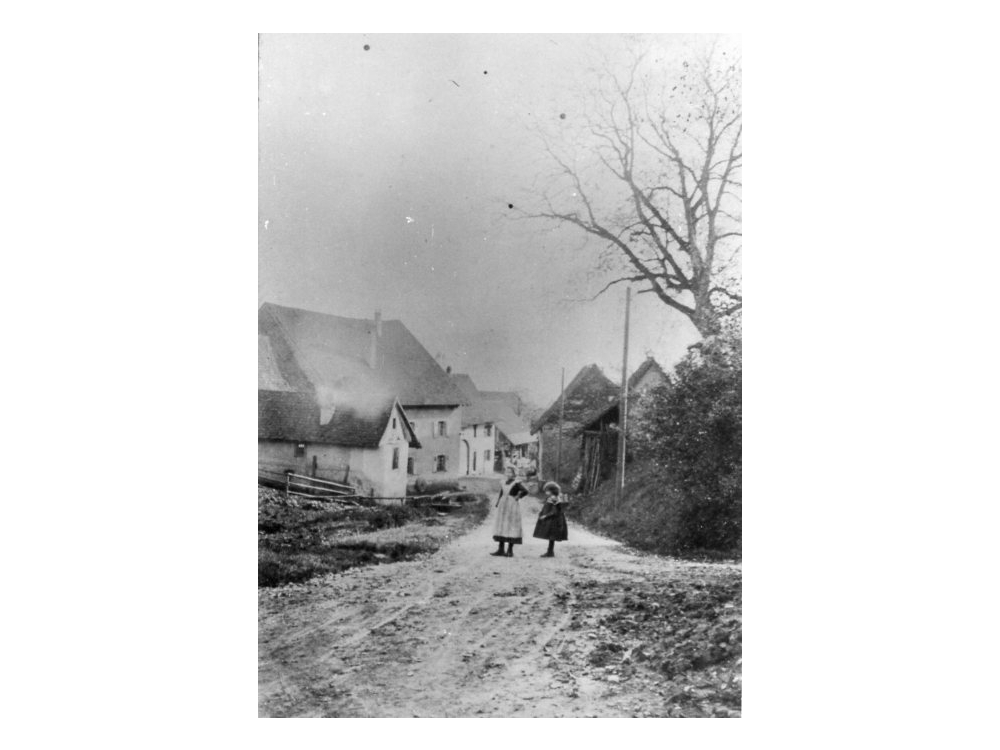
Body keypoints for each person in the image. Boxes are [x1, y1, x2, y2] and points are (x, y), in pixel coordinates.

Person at [491, 466, 528, 557]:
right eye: (507, 472)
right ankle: (500, 549)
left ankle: (510, 550)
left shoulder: (516, 483)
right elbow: (501, 493)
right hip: (503, 506)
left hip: (512, 506)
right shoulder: (503, 482)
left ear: (514, 474)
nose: (508, 474)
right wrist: (498, 503)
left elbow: (525, 491)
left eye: (510, 472)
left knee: (511, 526)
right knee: (502, 525)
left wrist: (518, 497)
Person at [533, 481, 568, 557]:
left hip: (554, 520)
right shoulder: (551, 498)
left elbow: (555, 511)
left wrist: (545, 516)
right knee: (551, 536)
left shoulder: (554, 498)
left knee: (552, 535)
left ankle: (550, 552)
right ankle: (550, 551)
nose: (546, 492)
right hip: (554, 519)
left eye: (547, 491)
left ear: (552, 491)